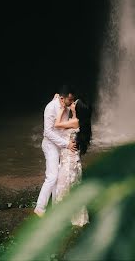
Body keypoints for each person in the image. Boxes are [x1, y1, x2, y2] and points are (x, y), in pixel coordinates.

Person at [34, 85, 77, 218]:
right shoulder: (51, 107)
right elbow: (48, 132)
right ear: (62, 98)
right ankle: (39, 208)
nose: (72, 102)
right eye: (70, 100)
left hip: (61, 145)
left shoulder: (65, 105)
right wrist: (66, 144)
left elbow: (63, 126)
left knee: (58, 177)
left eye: (73, 100)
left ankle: (54, 206)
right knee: (52, 176)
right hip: (50, 145)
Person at [54, 95, 92, 226]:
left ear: (77, 109)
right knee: (68, 187)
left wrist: (61, 108)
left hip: (70, 160)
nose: (72, 102)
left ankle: (63, 219)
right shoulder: (73, 120)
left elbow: (57, 125)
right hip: (69, 158)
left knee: (64, 188)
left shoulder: (75, 121)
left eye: (74, 103)